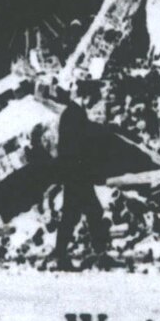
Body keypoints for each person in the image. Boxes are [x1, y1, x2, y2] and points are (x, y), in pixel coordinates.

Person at [52, 95, 110, 267]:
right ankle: (98, 253)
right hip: (77, 174)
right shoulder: (74, 114)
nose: (93, 103)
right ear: (85, 97)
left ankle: (63, 253)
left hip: (74, 173)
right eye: (92, 99)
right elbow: (80, 142)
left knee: (76, 214)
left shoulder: (72, 113)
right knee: (88, 212)